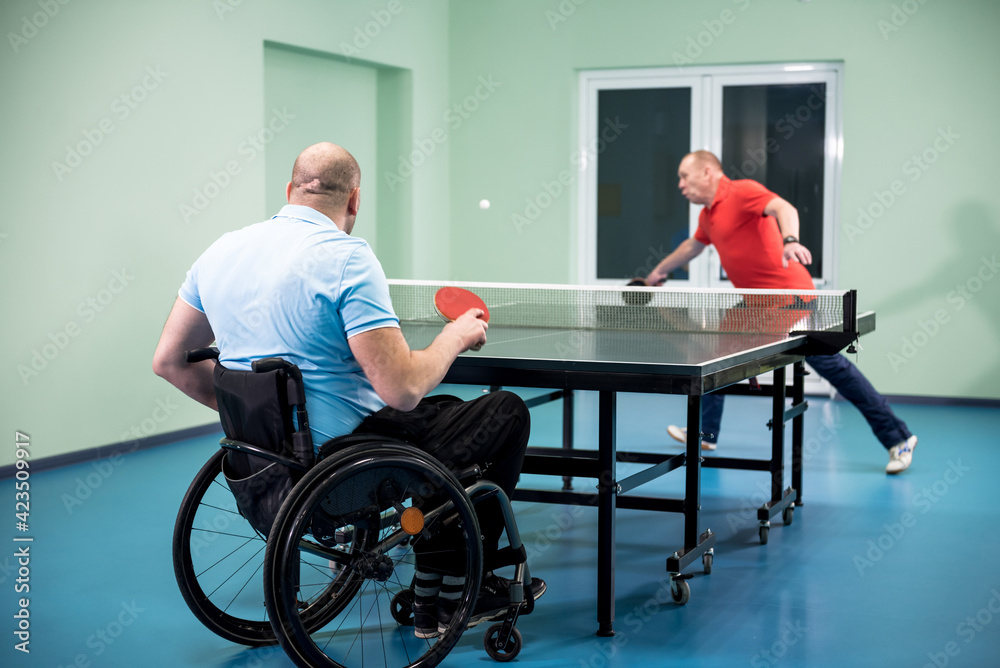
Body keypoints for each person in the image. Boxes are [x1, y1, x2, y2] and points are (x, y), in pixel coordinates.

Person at [153, 142, 544, 638]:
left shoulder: (220, 251)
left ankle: (432, 580)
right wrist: (455, 337)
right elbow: (401, 389)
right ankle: (465, 582)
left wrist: (261, 421)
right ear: (354, 200)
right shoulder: (346, 258)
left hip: (261, 467)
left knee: (444, 413)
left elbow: (168, 362)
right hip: (343, 465)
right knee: (505, 413)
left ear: (289, 191)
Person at [643, 150, 917, 474]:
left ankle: (898, 438)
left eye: (684, 176)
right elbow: (693, 246)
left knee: (833, 368)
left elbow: (782, 207)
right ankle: (706, 433)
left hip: (789, 298)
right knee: (714, 353)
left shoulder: (742, 191)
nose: (680, 184)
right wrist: (657, 273)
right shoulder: (707, 216)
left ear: (707, 173)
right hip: (756, 304)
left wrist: (789, 240)